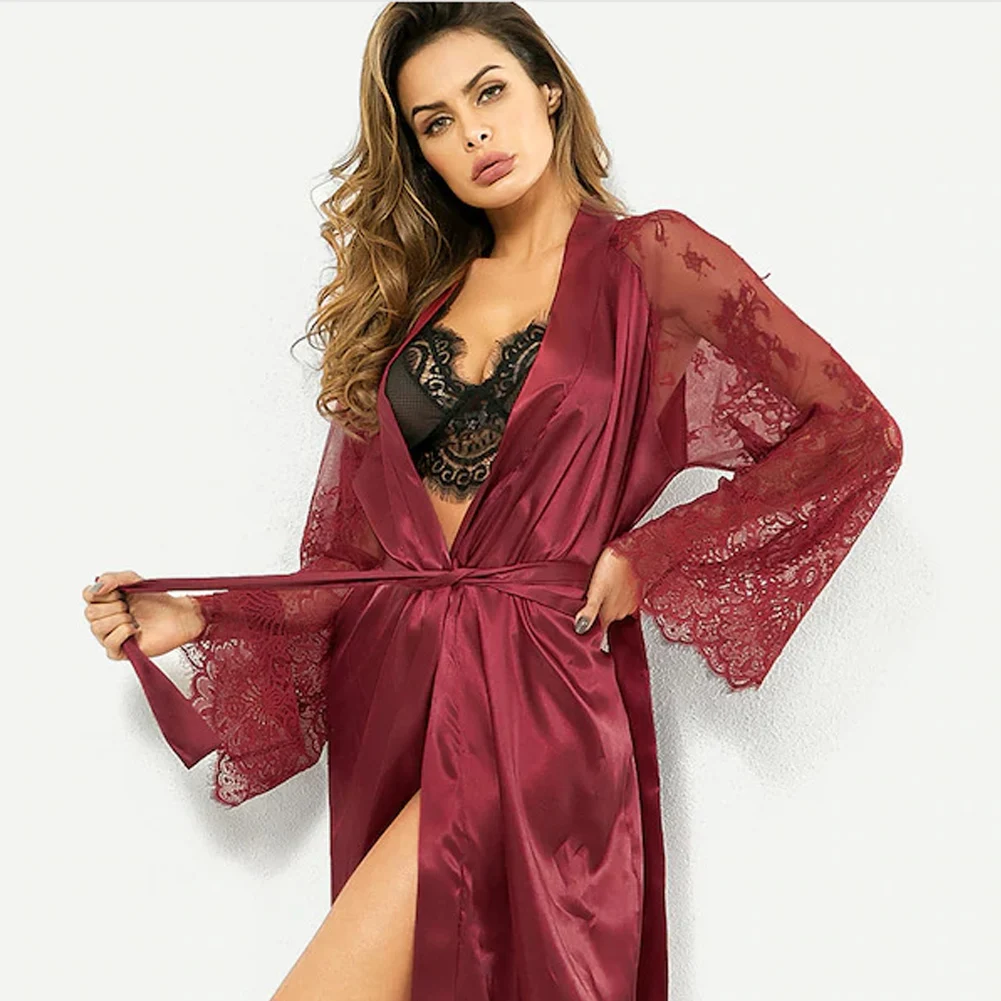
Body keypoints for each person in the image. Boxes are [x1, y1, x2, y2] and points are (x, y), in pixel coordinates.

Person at [80, 4, 904, 999]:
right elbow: (355, 566)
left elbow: (854, 430)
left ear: (546, 87)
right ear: (418, 151)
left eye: (488, 93)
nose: (472, 133)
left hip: (537, 686)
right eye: (435, 121)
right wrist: (200, 617)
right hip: (397, 687)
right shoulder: (416, 304)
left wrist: (649, 553)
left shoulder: (649, 259)